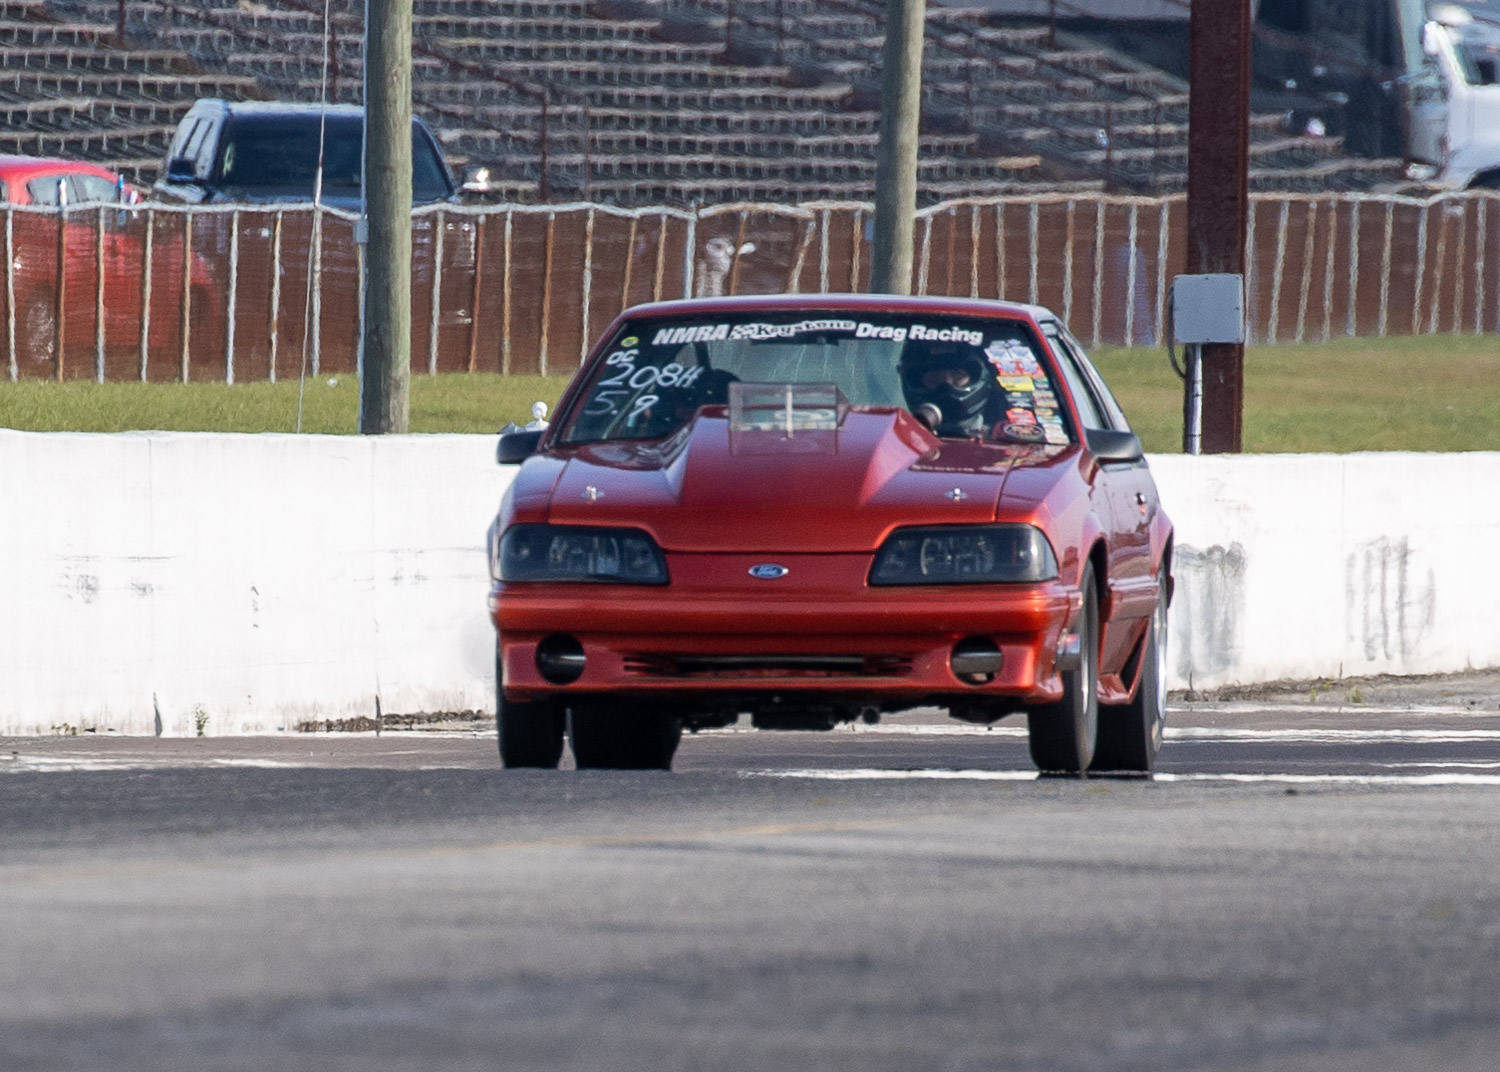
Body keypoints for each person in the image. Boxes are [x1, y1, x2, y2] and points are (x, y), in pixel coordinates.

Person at [898, 342, 1001, 438]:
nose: (947, 386)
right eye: (935, 378)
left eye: (958, 376)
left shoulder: (1000, 439)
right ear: (917, 383)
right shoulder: (897, 436)